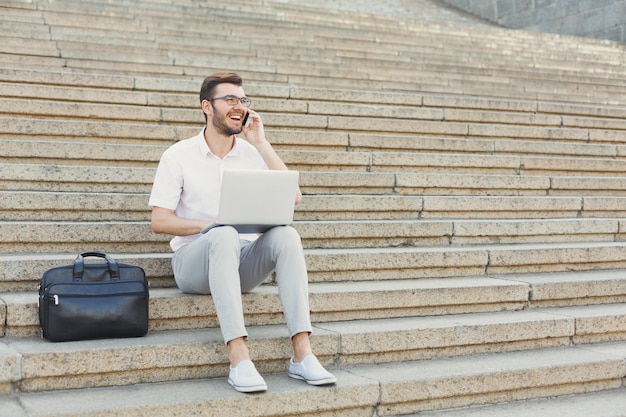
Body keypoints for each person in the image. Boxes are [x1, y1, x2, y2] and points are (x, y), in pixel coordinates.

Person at [148, 71, 336, 393]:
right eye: (230, 99)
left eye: (243, 100)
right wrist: (209, 226)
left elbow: (293, 197)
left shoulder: (252, 153)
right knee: (223, 234)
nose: (239, 106)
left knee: (287, 235)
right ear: (207, 106)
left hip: (241, 263)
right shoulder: (178, 156)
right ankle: (239, 357)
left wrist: (261, 143)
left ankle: (302, 354)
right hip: (194, 263)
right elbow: (160, 221)